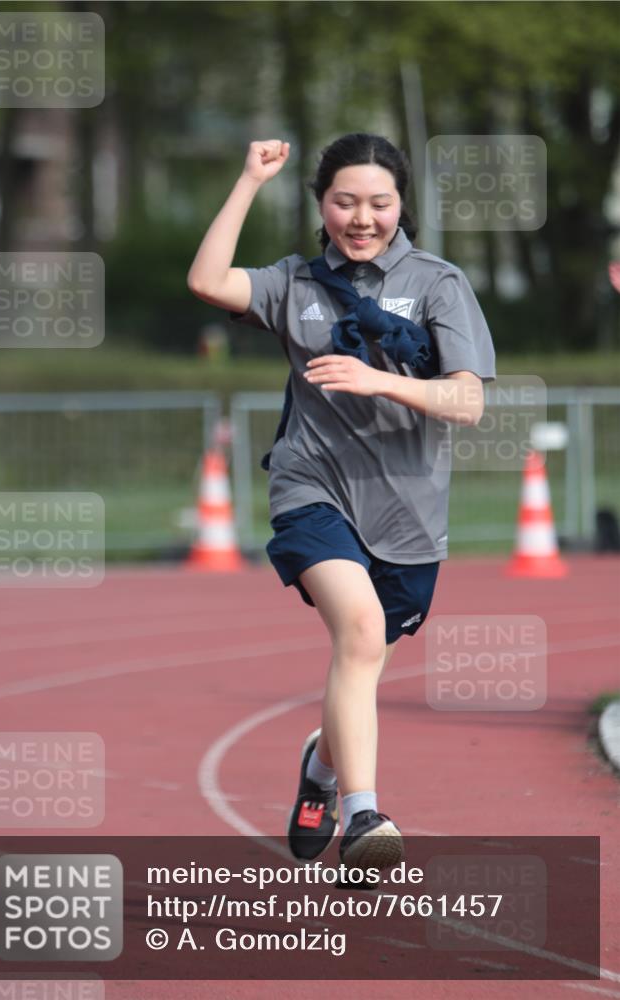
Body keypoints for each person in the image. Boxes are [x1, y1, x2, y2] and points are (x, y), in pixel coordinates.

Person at [188, 133, 496, 876]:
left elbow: (468, 402)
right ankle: (364, 813)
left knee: (360, 663)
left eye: (378, 203)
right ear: (322, 206)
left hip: (408, 513)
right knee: (356, 630)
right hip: (311, 486)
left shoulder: (437, 283)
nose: (362, 217)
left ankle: (321, 768)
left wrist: (380, 380)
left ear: (400, 206)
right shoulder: (293, 282)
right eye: (345, 201)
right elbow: (206, 280)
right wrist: (248, 179)